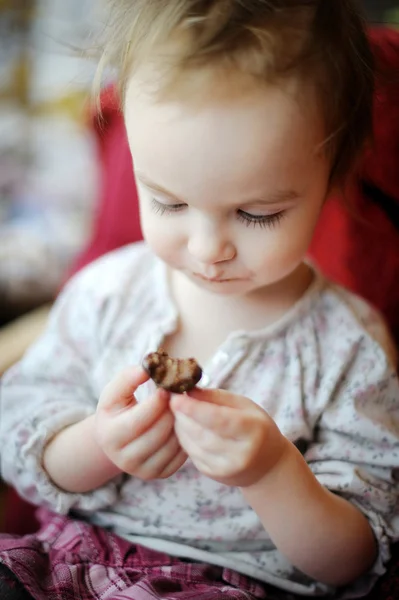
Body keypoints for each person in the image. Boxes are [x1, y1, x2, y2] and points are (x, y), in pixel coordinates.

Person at [0, 1, 398, 599]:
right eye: (169, 202)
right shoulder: (108, 292)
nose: (209, 248)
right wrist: (95, 447)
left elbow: (356, 558)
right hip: (66, 560)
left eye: (256, 213)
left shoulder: (347, 346)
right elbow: (17, 434)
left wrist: (272, 473)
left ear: (332, 175)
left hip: (235, 583)